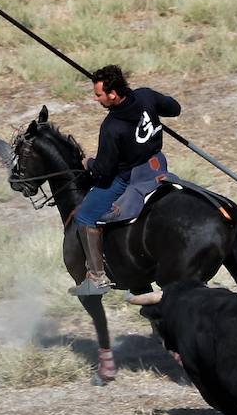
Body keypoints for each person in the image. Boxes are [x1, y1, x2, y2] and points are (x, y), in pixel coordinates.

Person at [70, 65, 182, 296]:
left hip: (131, 177)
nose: (95, 98)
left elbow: (103, 171)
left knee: (85, 216)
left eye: (99, 94)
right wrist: (152, 111)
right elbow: (174, 108)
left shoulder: (111, 126)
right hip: (158, 165)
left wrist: (88, 163)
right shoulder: (146, 96)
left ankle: (97, 278)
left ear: (112, 94)